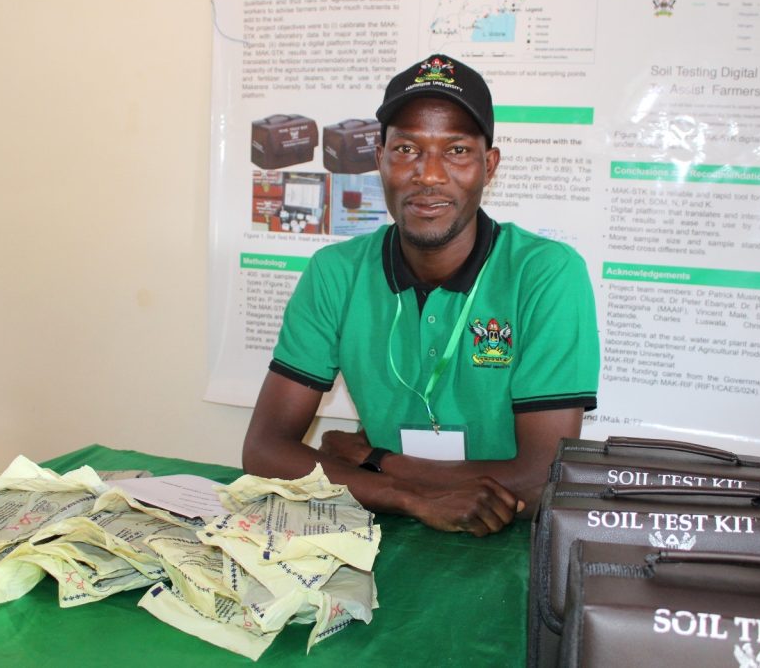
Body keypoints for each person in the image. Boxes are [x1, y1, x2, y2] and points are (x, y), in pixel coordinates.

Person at [242, 54, 600, 536]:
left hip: (507, 543)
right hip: (378, 527)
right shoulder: (336, 272)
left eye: (455, 151)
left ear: (488, 166)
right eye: (407, 148)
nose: (428, 175)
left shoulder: (546, 273)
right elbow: (264, 450)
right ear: (379, 160)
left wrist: (379, 460)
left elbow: (541, 481)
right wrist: (407, 497)